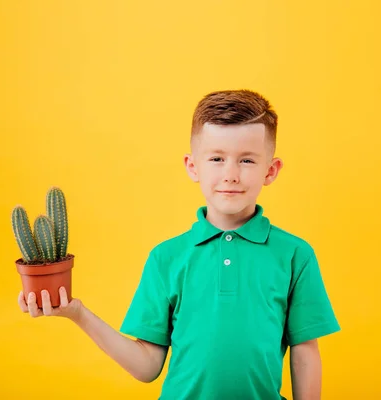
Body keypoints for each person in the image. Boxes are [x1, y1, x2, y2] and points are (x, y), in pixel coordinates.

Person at [18, 89, 341, 399]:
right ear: (192, 166)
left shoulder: (294, 254)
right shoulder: (166, 257)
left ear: (271, 171)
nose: (230, 174)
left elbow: (304, 351)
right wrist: (79, 314)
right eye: (216, 158)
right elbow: (146, 366)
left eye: (247, 161)